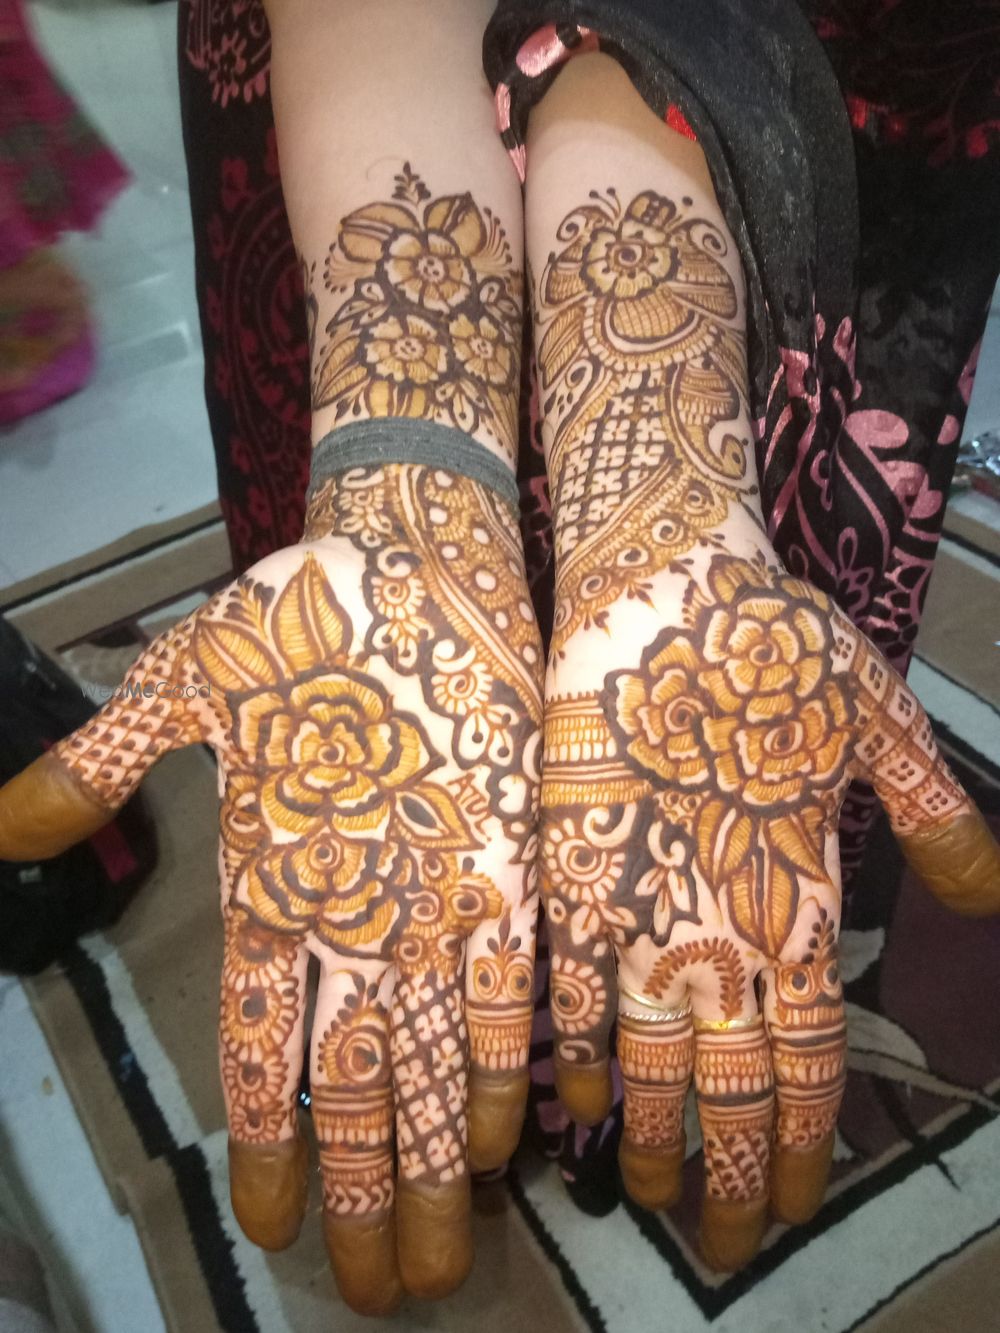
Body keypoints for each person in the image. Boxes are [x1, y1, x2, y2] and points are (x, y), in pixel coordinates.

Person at [1, 0, 998, 1316]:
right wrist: (407, 480)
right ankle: (520, 1071)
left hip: (840, 115)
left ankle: (605, 1066)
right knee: (413, 865)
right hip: (365, 110)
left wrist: (658, 495)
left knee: (732, 826)